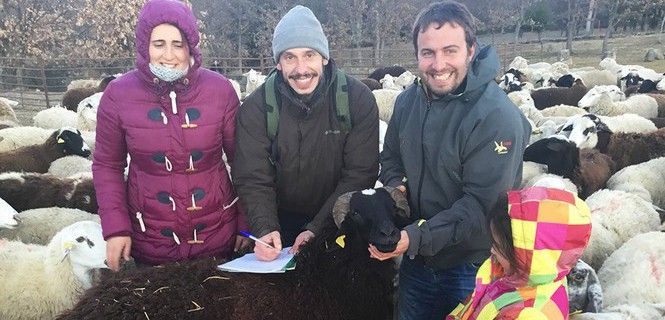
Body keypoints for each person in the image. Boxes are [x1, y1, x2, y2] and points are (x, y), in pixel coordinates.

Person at [372, 1, 532, 319]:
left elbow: (479, 206)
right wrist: (397, 188)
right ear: (417, 54)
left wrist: (413, 238)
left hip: (471, 266)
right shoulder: (406, 103)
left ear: (471, 50)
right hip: (418, 262)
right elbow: (390, 157)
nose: (438, 64)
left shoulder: (496, 117)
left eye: (450, 51)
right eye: (428, 53)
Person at [92, 0, 249, 271]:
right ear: (145, 47)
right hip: (150, 241)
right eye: (158, 44)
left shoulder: (220, 90)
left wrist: (246, 225)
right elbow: (108, 165)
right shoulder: (118, 95)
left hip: (217, 238)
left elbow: (245, 162)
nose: (169, 54)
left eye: (178, 44)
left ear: (190, 47)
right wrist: (116, 228)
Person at [233, 5, 379, 261]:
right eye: (290, 57)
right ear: (278, 63)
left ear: (324, 57)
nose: (301, 68)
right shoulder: (256, 108)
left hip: (339, 214)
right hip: (280, 218)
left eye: (309, 55)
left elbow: (359, 174)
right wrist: (265, 228)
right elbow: (253, 176)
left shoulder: (357, 100)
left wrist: (317, 228)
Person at [447, 182, 592, 319]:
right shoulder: (534, 273)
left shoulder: (530, 315)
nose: (492, 251)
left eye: (498, 246)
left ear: (526, 254)